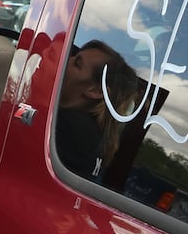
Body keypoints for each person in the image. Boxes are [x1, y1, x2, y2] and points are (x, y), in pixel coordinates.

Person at [47, 40, 140, 180]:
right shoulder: (97, 140)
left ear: (95, 90)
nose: (65, 60)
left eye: (77, 64)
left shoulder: (62, 127)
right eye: (73, 56)